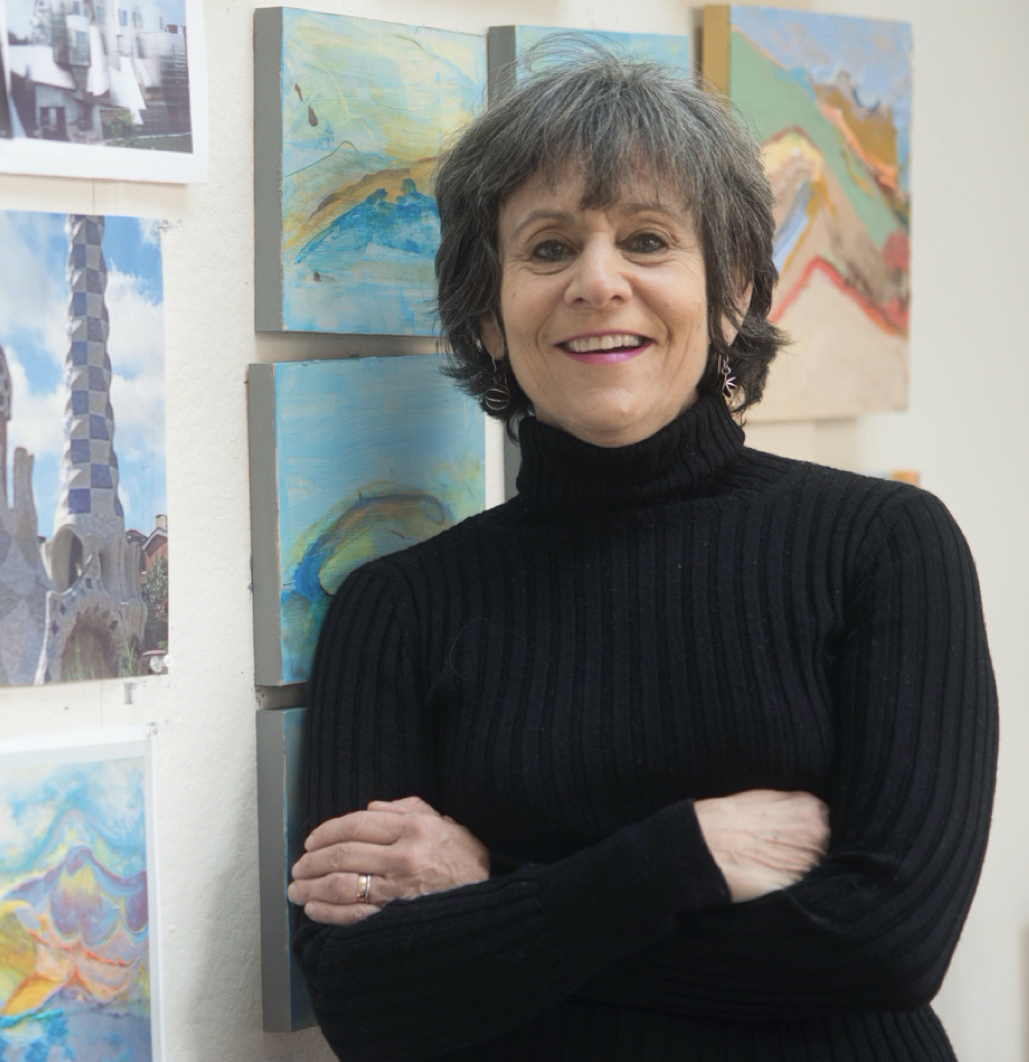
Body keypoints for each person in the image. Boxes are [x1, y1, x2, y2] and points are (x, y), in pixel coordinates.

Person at [286, 48, 997, 1061]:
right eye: (546, 249)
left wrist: (494, 894)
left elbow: (884, 945)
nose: (597, 281)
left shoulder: (883, 548)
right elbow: (366, 1001)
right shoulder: (399, 607)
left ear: (732, 291)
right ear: (487, 315)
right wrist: (679, 859)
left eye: (648, 240)